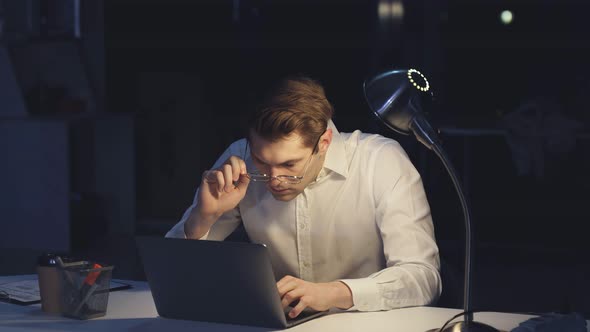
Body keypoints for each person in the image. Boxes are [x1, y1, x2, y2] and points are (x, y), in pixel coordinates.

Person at [166, 76, 441, 318]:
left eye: (289, 165)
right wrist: (202, 218)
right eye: (262, 162)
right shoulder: (240, 160)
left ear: (324, 143)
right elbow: (172, 278)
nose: (274, 179)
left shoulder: (380, 161)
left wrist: (334, 292)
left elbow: (424, 278)